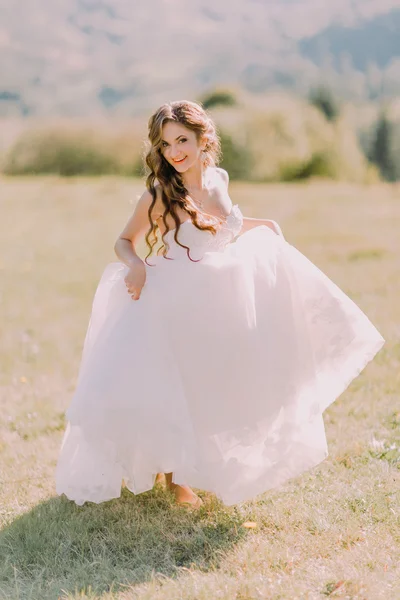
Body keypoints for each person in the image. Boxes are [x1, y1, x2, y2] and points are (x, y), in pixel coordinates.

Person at [55, 100, 385, 510]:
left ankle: (202, 464)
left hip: (217, 294)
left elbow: (220, 226)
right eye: (165, 144)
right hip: (173, 297)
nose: (174, 152)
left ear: (202, 138)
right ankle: (176, 480)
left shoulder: (219, 179)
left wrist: (262, 226)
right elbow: (123, 241)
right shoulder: (159, 195)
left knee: (217, 380)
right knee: (180, 382)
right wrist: (135, 264)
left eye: (181, 140)